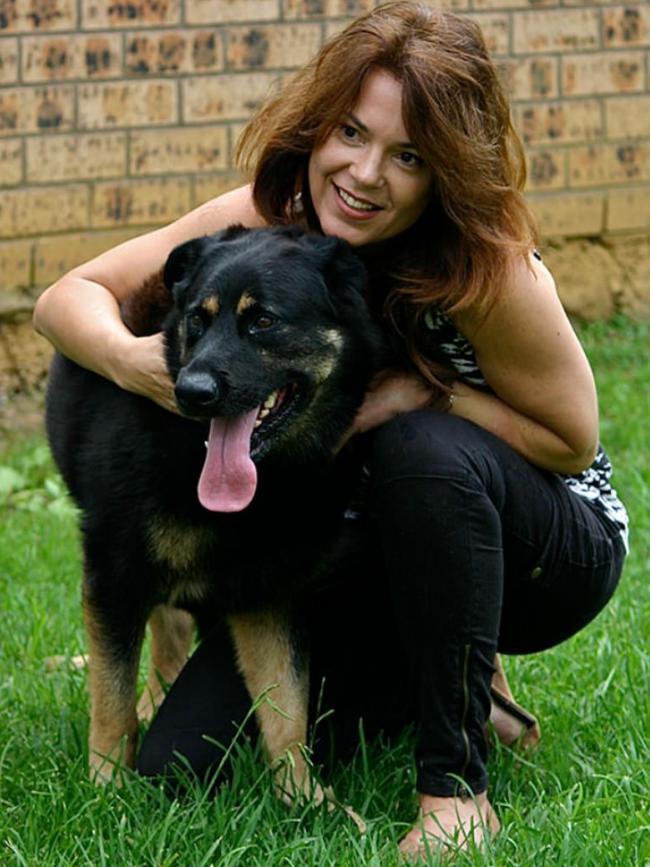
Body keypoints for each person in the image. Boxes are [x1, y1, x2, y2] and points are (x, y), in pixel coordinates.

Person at [33, 1, 628, 858]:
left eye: (408, 155)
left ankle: (456, 790)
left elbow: (572, 442)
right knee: (185, 761)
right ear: (318, 127)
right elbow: (65, 300)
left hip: (547, 547)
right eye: (351, 131)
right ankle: (431, 667)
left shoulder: (484, 265)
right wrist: (140, 365)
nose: (364, 171)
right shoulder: (269, 217)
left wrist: (416, 397)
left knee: (415, 450)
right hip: (372, 540)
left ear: (446, 169)